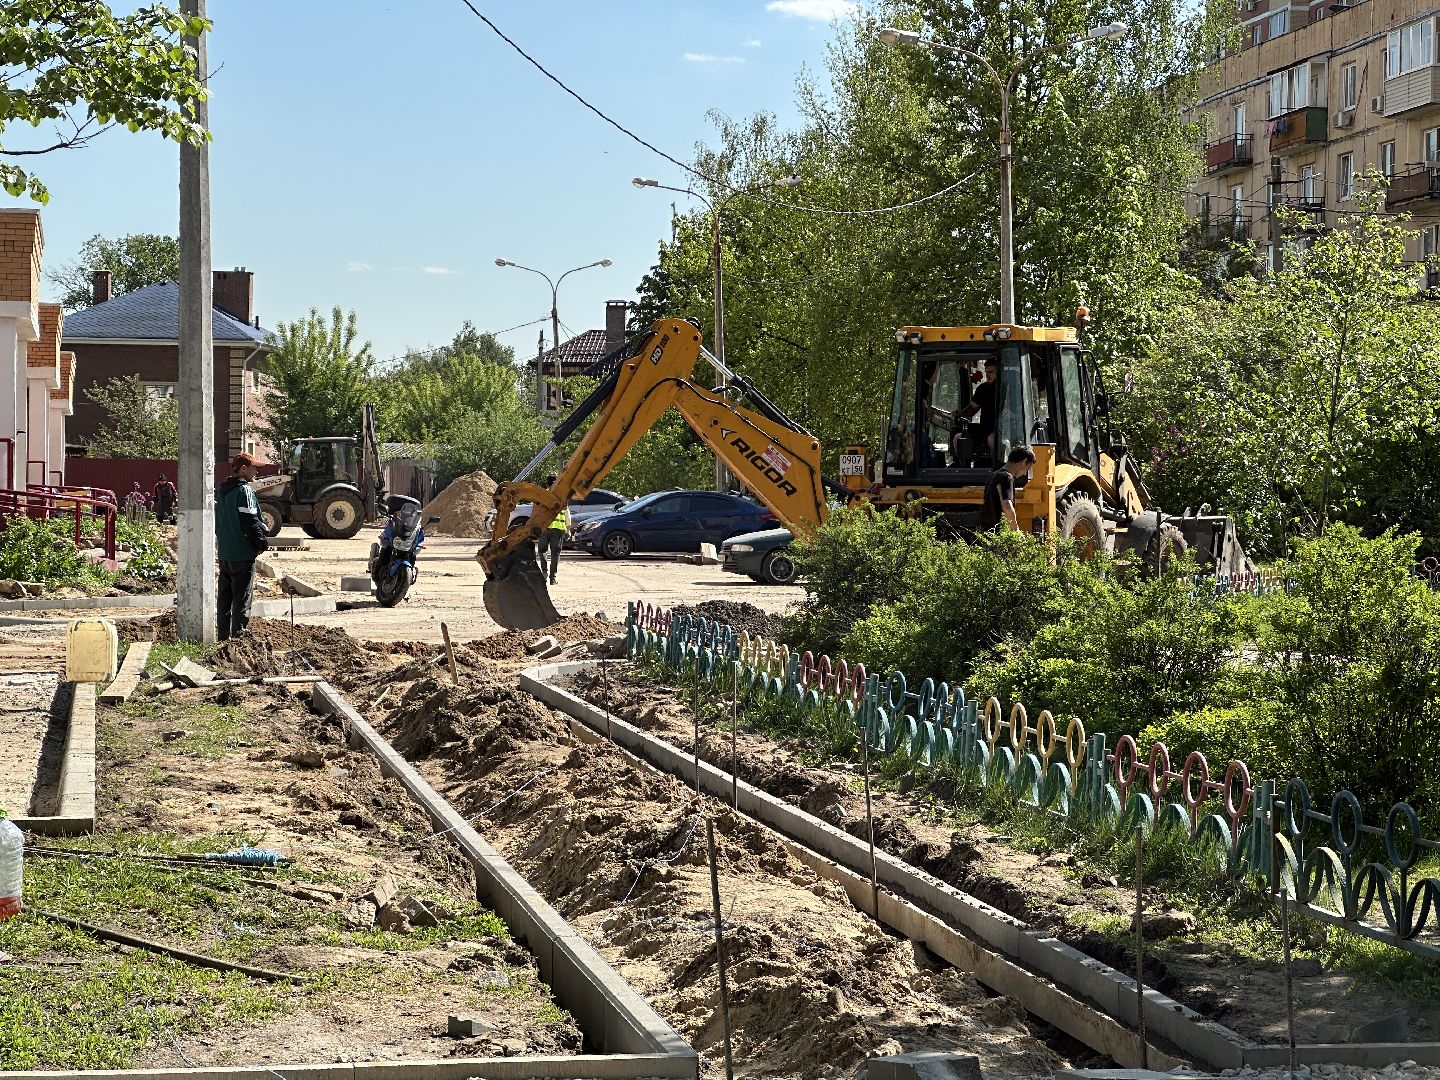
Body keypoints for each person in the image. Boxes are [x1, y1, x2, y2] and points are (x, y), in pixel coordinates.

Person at [215, 451, 269, 640]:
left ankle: (222, 641)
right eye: (254, 468)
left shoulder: (221, 491)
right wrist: (262, 543)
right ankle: (239, 642)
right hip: (242, 554)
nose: (257, 472)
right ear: (243, 469)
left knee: (224, 601)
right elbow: (250, 521)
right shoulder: (244, 490)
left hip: (225, 554)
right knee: (242, 602)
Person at [980, 446, 1037, 533]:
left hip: (988, 529)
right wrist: (1015, 530)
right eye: (1027, 468)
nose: (1025, 473)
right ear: (1023, 462)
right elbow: (1007, 505)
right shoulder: (1006, 477)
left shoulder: (993, 475)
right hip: (999, 531)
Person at [958, 357, 1001, 463]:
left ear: (999, 371)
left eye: (991, 372)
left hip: (1002, 429)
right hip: (984, 428)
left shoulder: (1005, 388)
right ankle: (963, 467)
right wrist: (961, 413)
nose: (988, 375)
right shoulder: (982, 389)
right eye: (986, 372)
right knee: (958, 437)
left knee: (992, 439)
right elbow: (972, 408)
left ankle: (998, 467)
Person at [535, 473, 569, 585]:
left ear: (547, 483)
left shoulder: (541, 495)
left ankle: (544, 572)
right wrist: (568, 529)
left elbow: (535, 511)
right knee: (555, 554)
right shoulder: (562, 496)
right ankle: (553, 578)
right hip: (558, 530)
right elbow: (567, 514)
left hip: (544, 528)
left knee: (542, 551)